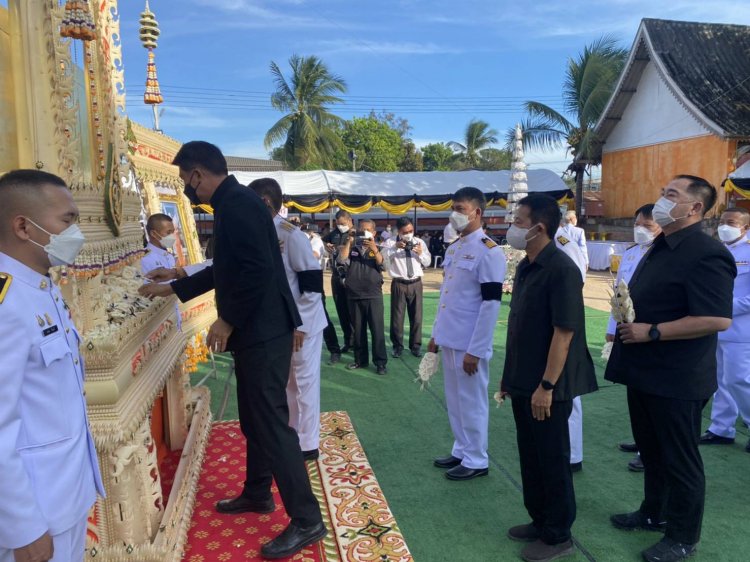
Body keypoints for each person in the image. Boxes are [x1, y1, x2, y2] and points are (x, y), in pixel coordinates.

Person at [138, 142, 325, 559]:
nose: (189, 190)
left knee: (272, 425)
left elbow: (255, 272)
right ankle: (258, 492)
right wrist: (175, 285)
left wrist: (228, 319)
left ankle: (308, 520)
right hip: (259, 329)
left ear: (198, 174)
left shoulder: (237, 205)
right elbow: (230, 267)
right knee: (256, 421)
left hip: (262, 329)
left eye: (187, 181)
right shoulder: (235, 202)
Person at [605, 175, 735, 562]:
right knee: (652, 450)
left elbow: (716, 319)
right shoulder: (663, 243)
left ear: (695, 207)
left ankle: (683, 537)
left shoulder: (706, 252)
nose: (661, 200)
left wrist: (655, 331)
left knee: (680, 459)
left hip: (677, 375)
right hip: (644, 368)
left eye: (671, 195)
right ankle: (653, 513)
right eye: (663, 193)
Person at [0, 170, 105, 562]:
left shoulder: (41, 288)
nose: (76, 233)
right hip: (33, 510)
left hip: (63, 496)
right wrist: (22, 525)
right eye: (67, 220)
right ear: (24, 227)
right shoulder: (8, 303)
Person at [500, 194, 597, 562]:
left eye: (518, 221)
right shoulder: (527, 265)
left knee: (552, 459)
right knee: (531, 455)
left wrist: (546, 386)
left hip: (549, 385)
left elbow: (564, 333)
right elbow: (519, 328)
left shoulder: (561, 269)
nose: (512, 227)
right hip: (525, 378)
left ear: (539, 228)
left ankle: (558, 534)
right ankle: (540, 520)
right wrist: (510, 378)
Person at [429, 187, 505, 481]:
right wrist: (436, 335)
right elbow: (448, 297)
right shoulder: (454, 248)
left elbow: (490, 305)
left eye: (460, 208)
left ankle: (476, 458)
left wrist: (477, 349)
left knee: (472, 401)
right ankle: (462, 449)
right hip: (450, 337)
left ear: (478, 213)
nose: (455, 214)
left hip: (469, 342)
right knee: (455, 400)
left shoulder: (489, 251)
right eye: (453, 207)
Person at [251, 179, 328, 461]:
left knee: (304, 381)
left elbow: (311, 285)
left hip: (301, 324)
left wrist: (300, 325)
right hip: (277, 325)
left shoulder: (290, 235)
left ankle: (308, 444)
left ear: (265, 203)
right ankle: (291, 432)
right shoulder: (256, 232)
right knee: (287, 383)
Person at [609, 204, 661, 472]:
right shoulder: (630, 254)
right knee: (636, 391)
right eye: (637, 224)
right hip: (627, 331)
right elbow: (617, 295)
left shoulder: (662, 256)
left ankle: (650, 451)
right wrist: (611, 329)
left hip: (651, 334)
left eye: (648, 226)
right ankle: (643, 441)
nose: (640, 230)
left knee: (653, 395)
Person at [699, 207, 750, 451]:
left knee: (739, 379)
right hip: (713, 327)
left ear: (746, 228)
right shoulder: (717, 250)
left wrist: (722, 307)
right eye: (722, 221)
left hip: (741, 329)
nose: (724, 226)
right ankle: (721, 428)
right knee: (720, 380)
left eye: (731, 222)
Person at [553, 215, 588, 474]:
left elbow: (576, 279)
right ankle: (559, 447)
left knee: (568, 390)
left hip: (565, 321)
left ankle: (573, 454)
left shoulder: (562, 241)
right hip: (549, 326)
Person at [337, 219, 388, 375]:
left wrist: (374, 248)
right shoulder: (353, 248)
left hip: (373, 294)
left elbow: (384, 265)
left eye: (367, 230)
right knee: (358, 330)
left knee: (377, 330)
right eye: (361, 230)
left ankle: (380, 363)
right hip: (354, 294)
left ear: (373, 232)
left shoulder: (379, 247)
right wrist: (350, 240)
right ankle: (360, 360)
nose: (363, 233)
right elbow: (341, 260)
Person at [383, 217, 431, 358]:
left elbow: (427, 262)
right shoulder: (390, 242)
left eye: (411, 230)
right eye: (405, 231)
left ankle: (415, 346)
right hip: (399, 283)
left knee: (416, 317)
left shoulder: (419, 242)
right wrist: (394, 248)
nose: (409, 233)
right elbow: (383, 260)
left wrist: (421, 253)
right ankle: (397, 346)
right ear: (399, 231)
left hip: (416, 282)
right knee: (397, 317)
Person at [303, 223, 342, 364]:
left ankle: (334, 350)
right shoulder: (298, 239)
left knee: (322, 316)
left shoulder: (315, 240)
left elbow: (314, 256)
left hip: (314, 279)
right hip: (297, 280)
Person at [324, 210, 355, 353]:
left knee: (353, 312)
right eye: (338, 224)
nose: (340, 226)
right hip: (336, 276)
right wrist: (327, 246)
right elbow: (324, 241)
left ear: (349, 221)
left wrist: (343, 247)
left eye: (342, 224)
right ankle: (348, 341)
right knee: (341, 311)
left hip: (352, 276)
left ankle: (358, 343)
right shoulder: (335, 233)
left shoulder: (357, 233)